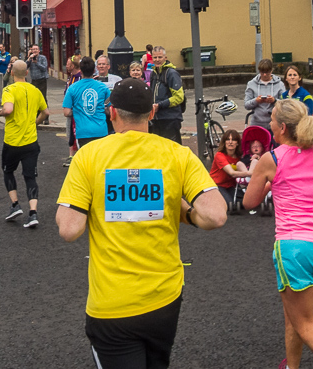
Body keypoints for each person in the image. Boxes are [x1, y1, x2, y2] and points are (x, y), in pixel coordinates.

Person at [56, 77, 227, 368]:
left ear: (112, 113)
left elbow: (70, 229)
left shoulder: (89, 157)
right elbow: (215, 215)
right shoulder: (178, 154)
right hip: (164, 299)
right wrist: (182, 213)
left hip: (112, 304)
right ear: (151, 113)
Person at [243, 99, 313, 369]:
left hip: (295, 248)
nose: (268, 123)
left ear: (281, 127)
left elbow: (249, 202)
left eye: (271, 119)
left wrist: (270, 185)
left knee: (308, 327)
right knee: (294, 314)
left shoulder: (271, 160)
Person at [0, 60, 48, 228]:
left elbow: (8, 109)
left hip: (12, 141)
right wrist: (35, 122)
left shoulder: (9, 90)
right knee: (30, 177)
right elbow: (45, 112)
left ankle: (15, 204)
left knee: (8, 171)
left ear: (11, 73)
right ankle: (33, 213)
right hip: (31, 142)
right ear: (27, 73)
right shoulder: (35, 90)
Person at [63, 57, 111, 150]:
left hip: (83, 132)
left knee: (86, 161)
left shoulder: (72, 88)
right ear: (94, 70)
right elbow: (110, 109)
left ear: (81, 71)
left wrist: (78, 109)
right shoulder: (103, 87)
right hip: (101, 130)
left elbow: (66, 112)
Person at [148, 46, 184, 144]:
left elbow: (179, 97)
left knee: (173, 150)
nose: (157, 60)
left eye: (160, 57)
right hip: (156, 118)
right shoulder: (153, 73)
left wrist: (160, 105)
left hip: (170, 118)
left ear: (165, 58)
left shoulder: (171, 73)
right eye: (155, 57)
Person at [209, 129, 251, 209]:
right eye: (228, 139)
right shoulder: (219, 155)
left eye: (233, 140)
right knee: (230, 204)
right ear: (224, 142)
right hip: (217, 185)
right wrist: (250, 173)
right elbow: (231, 173)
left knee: (243, 203)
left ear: (237, 143)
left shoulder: (239, 157)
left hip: (230, 186)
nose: (230, 142)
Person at [245, 59, 286, 131]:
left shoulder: (280, 84)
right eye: (262, 72)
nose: (264, 75)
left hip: (275, 124)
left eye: (267, 72)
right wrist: (256, 101)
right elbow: (246, 105)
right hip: (257, 123)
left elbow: (285, 104)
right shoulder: (251, 84)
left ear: (271, 71)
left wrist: (274, 101)